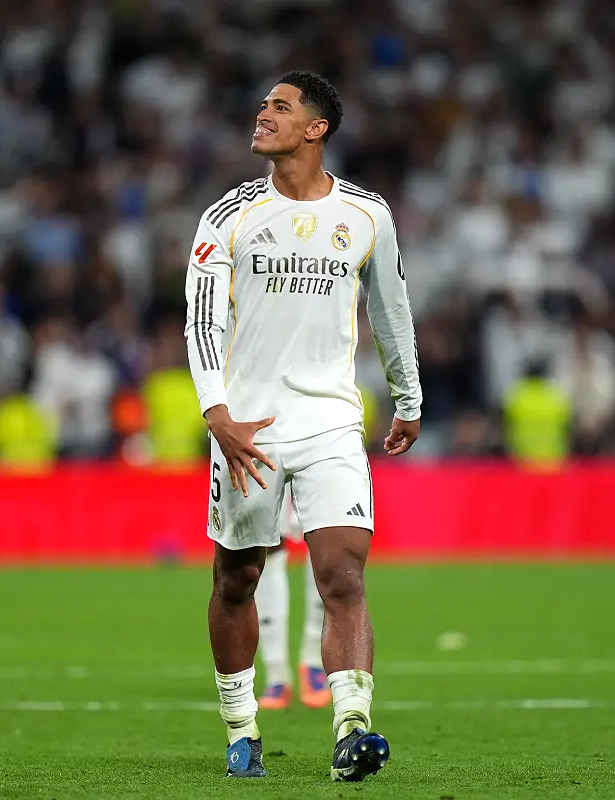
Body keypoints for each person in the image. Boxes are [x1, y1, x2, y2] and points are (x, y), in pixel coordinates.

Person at [184, 71, 422, 782]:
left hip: (329, 420)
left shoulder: (366, 214)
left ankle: (352, 727)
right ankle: (241, 726)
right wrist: (217, 414)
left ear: (315, 129)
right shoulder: (226, 215)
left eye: (279, 108)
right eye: (262, 105)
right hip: (248, 425)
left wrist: (407, 396)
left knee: (342, 574)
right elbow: (202, 321)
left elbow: (391, 307)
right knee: (238, 579)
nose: (262, 115)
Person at [253, 496, 330, 710]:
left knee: (325, 537)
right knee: (268, 543)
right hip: (270, 462)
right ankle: (276, 673)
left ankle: (313, 661)